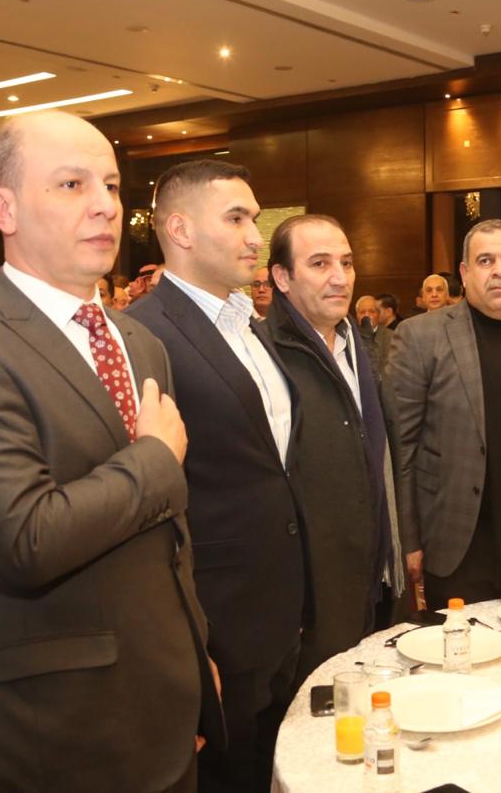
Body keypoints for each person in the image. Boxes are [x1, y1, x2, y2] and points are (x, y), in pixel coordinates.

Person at [0, 111, 223, 792]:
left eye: (111, 185)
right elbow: (26, 538)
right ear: (2, 208)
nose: (106, 205)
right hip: (52, 732)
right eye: (72, 184)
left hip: (163, 702)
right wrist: (153, 459)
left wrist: (192, 654)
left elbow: (168, 534)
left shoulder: (140, 343)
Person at [127, 159, 305, 792]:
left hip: (276, 610)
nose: (256, 236)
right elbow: (145, 504)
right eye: (236, 219)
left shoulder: (247, 323)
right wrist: (186, 643)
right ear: (179, 230)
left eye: (254, 218)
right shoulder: (143, 334)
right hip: (214, 621)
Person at [387, 219, 501, 610]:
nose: (499, 270)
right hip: (458, 542)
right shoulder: (421, 336)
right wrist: (408, 539)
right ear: (465, 272)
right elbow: (400, 448)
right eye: (486, 260)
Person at [264, 214, 405, 685]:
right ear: (282, 277)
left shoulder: (356, 346)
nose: (340, 278)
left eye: (346, 262)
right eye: (320, 264)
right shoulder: (262, 355)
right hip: (309, 601)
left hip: (368, 578)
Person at [357, 294, 394, 374]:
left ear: (378, 315)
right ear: (357, 315)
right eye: (362, 312)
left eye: (371, 311)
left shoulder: (392, 337)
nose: (367, 316)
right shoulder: (350, 337)